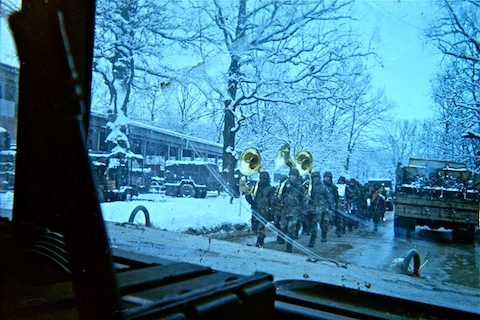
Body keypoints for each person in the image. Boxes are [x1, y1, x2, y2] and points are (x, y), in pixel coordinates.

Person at [277, 168, 307, 252]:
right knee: (283, 226)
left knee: (291, 228)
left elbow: (304, 199)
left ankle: (289, 246)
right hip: (285, 209)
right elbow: (279, 195)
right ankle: (282, 239)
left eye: (295, 175)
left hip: (295, 210)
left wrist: (303, 209)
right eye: (292, 175)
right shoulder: (285, 184)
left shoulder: (300, 187)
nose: (293, 177)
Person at [245, 171, 277, 247]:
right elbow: (249, 194)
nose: (263, 180)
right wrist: (249, 198)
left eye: (265, 179)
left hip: (264, 211)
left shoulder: (270, 189)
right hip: (255, 210)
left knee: (260, 227)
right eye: (262, 178)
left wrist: (272, 211)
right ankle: (261, 236)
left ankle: (259, 242)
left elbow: (273, 201)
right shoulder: (256, 187)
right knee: (254, 227)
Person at [307, 171, 330, 245]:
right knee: (309, 223)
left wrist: (331, 207)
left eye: (317, 177)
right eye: (314, 177)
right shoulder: (309, 186)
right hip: (310, 208)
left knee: (315, 223)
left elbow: (329, 197)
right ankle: (311, 234)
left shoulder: (323, 187)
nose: (315, 179)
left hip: (319, 208)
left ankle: (313, 238)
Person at [323, 171, 341, 237]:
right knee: (323, 221)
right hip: (322, 205)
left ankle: (338, 229)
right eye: (326, 177)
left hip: (331, 205)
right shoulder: (321, 185)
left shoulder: (333, 187)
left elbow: (336, 197)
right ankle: (323, 234)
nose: (327, 178)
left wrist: (337, 205)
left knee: (335, 218)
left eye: (328, 177)